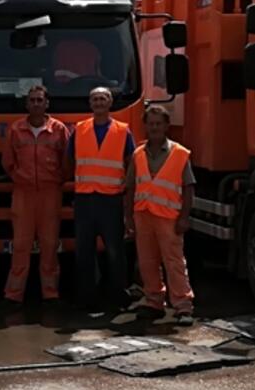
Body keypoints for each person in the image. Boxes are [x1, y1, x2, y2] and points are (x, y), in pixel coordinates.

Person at [63, 86, 136, 310]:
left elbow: (131, 161)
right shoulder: (80, 129)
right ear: (90, 103)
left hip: (111, 199)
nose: (99, 102)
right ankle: (86, 297)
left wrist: (127, 189)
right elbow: (69, 159)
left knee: (115, 251)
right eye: (95, 99)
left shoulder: (123, 131)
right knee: (84, 251)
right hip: (85, 199)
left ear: (110, 102)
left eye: (103, 98)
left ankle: (117, 296)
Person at [126, 105, 196, 326]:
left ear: (166, 126)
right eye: (150, 123)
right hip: (143, 215)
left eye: (158, 123)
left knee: (174, 262)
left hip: (169, 217)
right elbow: (129, 188)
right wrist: (128, 217)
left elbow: (188, 188)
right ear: (145, 126)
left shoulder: (179, 153)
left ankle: (183, 306)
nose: (154, 127)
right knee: (147, 262)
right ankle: (154, 302)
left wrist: (185, 217)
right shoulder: (138, 154)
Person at [2, 85, 69, 305]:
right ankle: (13, 294)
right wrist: (20, 178)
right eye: (32, 100)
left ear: (47, 103)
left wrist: (58, 179)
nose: (36, 104)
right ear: (27, 104)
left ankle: (50, 293)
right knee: (20, 245)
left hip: (51, 193)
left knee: (49, 245)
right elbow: (8, 162)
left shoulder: (59, 129)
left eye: (40, 100)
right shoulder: (16, 129)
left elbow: (67, 161)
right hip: (23, 194)